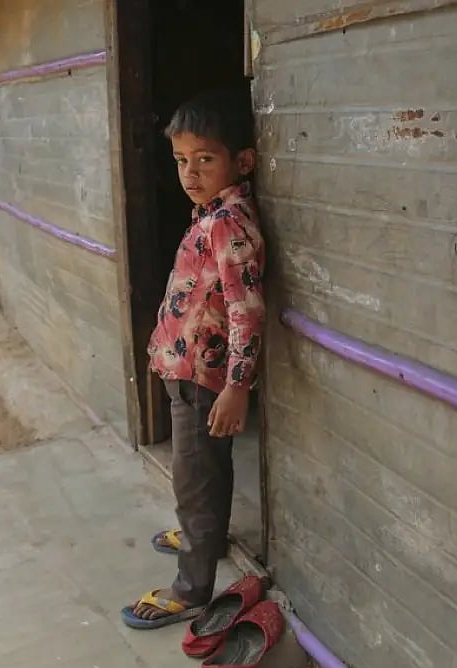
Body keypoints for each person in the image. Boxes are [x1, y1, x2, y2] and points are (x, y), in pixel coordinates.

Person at [122, 90, 266, 629]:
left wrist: (237, 386)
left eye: (205, 158)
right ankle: (206, 531)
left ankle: (192, 589)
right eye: (181, 160)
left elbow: (246, 310)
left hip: (204, 382)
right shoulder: (210, 214)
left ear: (242, 161)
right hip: (184, 372)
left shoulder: (228, 223)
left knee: (194, 478)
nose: (190, 171)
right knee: (206, 472)